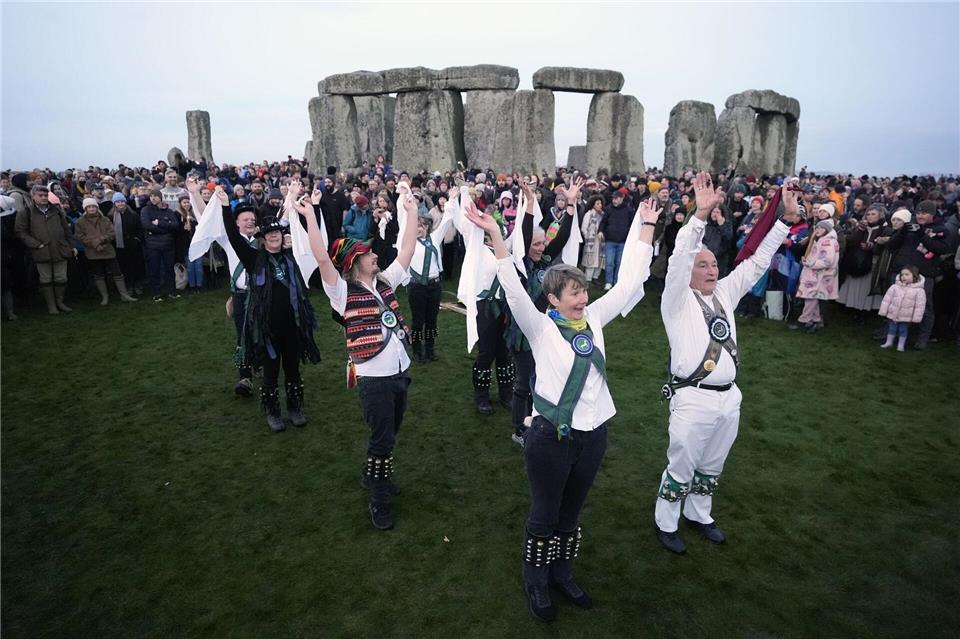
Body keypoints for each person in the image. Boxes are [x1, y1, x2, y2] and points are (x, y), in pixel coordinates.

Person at [463, 192, 658, 623]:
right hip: (550, 437)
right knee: (545, 513)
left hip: (594, 437)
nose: (582, 298)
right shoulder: (539, 329)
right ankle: (536, 579)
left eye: (583, 290)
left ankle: (562, 572)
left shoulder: (596, 320)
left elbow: (627, 285)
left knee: (571, 514)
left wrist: (645, 228)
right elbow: (513, 289)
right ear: (553, 300)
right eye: (573, 292)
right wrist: (496, 233)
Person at [654, 172, 802, 555]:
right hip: (692, 398)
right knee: (682, 464)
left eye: (713, 264)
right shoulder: (676, 301)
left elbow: (756, 264)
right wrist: (699, 217)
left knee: (712, 464)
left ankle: (699, 514)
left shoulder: (724, 293)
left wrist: (784, 221)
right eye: (702, 265)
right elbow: (680, 257)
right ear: (688, 272)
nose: (712, 269)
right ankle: (667, 522)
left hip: (729, 399)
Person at [300, 180, 418, 530]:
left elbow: (407, 251)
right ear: (355, 262)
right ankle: (378, 500)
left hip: (400, 371)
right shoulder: (341, 292)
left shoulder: (384, 282)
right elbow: (322, 258)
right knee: (381, 440)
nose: (376, 255)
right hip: (374, 379)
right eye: (369, 254)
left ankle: (372, 476)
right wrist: (310, 215)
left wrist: (409, 212)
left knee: (389, 434)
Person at [222, 184, 321, 432]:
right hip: (266, 328)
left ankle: (296, 408)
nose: (274, 236)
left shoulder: (292, 255)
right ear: (263, 239)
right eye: (269, 234)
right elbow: (234, 237)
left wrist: (314, 208)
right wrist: (225, 207)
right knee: (270, 373)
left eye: (277, 233)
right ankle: (273, 413)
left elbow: (314, 239)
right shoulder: (253, 258)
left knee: (293, 370)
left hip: (293, 325)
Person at [507, 179, 580, 446]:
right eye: (535, 244)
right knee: (524, 383)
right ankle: (518, 428)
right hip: (523, 334)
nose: (539, 248)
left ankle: (533, 420)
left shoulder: (545, 260)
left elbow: (561, 236)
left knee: (540, 380)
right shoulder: (521, 264)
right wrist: (529, 204)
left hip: (545, 333)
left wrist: (571, 205)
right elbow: (525, 235)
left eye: (541, 244)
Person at [885, 200, 957, 349]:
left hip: (923, 274)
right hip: (902, 272)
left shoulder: (940, 229)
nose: (920, 216)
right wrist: (903, 232)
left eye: (924, 213)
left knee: (925, 308)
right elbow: (891, 245)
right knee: (894, 304)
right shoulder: (909, 227)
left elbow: (943, 249)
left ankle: (922, 339)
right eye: (917, 213)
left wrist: (922, 235)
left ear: (932, 214)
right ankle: (889, 333)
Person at [408, 192, 455, 362]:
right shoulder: (408, 242)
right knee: (417, 321)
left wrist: (452, 200)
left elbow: (448, 219)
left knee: (432, 320)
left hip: (434, 286)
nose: (419, 228)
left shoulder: (434, 238)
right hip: (417, 286)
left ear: (427, 227)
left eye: (422, 226)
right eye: (416, 225)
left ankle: (430, 349)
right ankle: (416, 350)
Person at [15, 184, 76, 314]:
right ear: (33, 196)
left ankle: (60, 301)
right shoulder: (25, 212)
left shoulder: (57, 210)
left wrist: (71, 245)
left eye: (45, 195)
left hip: (60, 249)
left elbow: (66, 230)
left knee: (61, 278)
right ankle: (51, 305)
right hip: (41, 251)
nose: (43, 198)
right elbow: (21, 232)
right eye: (40, 195)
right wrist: (36, 244)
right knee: (46, 279)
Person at [74, 198, 137, 305]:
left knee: (117, 272)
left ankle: (124, 294)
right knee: (98, 274)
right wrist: (94, 244)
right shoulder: (81, 222)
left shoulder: (105, 219)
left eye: (93, 206)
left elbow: (111, 233)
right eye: (89, 207)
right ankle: (105, 297)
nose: (92, 208)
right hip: (93, 252)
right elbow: (80, 236)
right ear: (85, 208)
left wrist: (101, 241)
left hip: (107, 249)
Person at [795, 219, 840, 333]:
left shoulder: (828, 242)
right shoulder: (821, 240)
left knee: (811, 298)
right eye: (817, 227)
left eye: (821, 227)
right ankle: (815, 320)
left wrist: (810, 264)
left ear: (827, 230)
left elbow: (827, 261)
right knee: (814, 297)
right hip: (816, 275)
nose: (818, 229)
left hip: (820, 276)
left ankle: (803, 320)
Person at [140, 187, 181, 302]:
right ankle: (156, 293)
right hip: (153, 246)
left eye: (156, 196)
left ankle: (171, 291)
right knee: (155, 270)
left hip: (168, 245)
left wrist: (159, 223)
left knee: (169, 269)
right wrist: (165, 228)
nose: (153, 198)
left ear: (160, 198)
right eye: (152, 196)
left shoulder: (168, 211)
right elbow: (147, 225)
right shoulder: (145, 210)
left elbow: (175, 225)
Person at [878, 265, 926, 351]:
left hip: (906, 316)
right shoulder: (895, 287)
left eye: (907, 274)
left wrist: (916, 318)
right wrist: (883, 311)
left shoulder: (919, 291)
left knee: (903, 330)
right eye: (902, 274)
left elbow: (920, 306)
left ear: (914, 276)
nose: (903, 277)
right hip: (893, 313)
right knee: (891, 328)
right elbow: (886, 300)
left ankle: (901, 345)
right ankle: (889, 342)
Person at [597, 188, 633, 290]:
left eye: (616, 198)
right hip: (610, 241)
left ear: (622, 198)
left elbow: (632, 225)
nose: (614, 201)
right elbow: (603, 222)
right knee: (609, 263)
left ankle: (617, 282)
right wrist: (600, 231)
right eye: (613, 199)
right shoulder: (608, 209)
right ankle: (608, 282)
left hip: (622, 241)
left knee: (619, 263)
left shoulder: (629, 210)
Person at [580, 195, 605, 283]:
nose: (600, 205)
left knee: (599, 259)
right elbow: (584, 228)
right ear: (593, 204)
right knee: (590, 259)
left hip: (600, 241)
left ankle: (595, 277)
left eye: (600, 203)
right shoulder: (589, 214)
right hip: (591, 241)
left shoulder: (602, 214)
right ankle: (588, 278)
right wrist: (588, 238)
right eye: (597, 203)